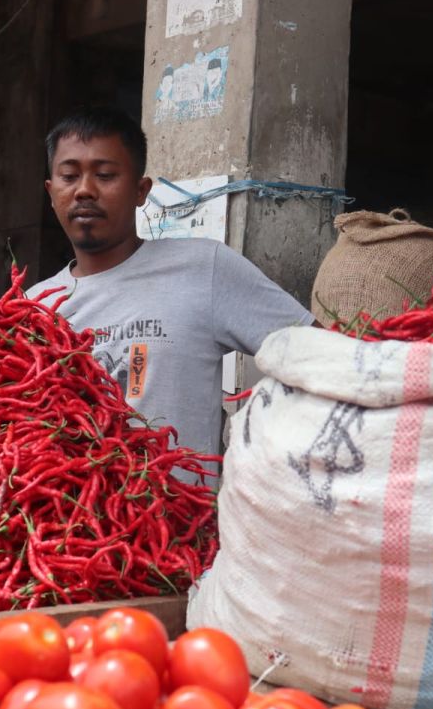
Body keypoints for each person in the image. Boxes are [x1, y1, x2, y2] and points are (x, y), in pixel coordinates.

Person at [27, 106, 313, 474]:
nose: (84, 190)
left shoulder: (204, 268)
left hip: (181, 527)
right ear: (51, 193)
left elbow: (315, 353)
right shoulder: (32, 307)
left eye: (105, 175)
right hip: (67, 527)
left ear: (140, 190)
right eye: (69, 176)